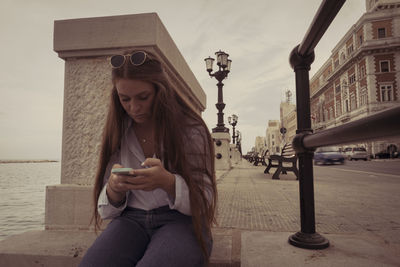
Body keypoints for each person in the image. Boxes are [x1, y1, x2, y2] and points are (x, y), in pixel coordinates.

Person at [79, 51, 217, 267]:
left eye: (143, 97)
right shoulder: (118, 130)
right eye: (125, 99)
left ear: (160, 90)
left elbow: (206, 200)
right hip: (130, 221)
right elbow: (105, 211)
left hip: (182, 221)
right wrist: (114, 189)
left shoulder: (191, 130)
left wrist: (168, 183)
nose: (134, 108)